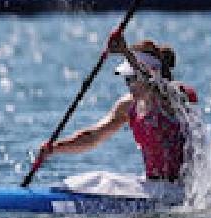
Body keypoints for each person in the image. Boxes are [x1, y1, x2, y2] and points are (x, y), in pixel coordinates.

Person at [39, 34, 198, 183]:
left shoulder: (172, 98)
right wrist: (55, 148)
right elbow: (94, 136)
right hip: (155, 186)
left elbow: (153, 83)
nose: (129, 84)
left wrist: (125, 52)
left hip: (182, 188)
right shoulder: (128, 106)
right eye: (127, 78)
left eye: (133, 78)